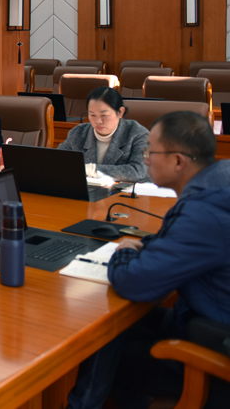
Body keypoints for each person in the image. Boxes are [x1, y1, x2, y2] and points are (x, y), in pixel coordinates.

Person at [66, 111, 230, 409]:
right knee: (113, 330)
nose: (146, 160)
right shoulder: (218, 182)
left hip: (215, 344)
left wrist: (124, 251)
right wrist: (148, 245)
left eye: (150, 152)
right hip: (206, 321)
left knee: (117, 354)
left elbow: (133, 282)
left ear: (178, 161)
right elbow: (180, 241)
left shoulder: (203, 212)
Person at [57, 87, 149, 182]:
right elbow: (57, 161)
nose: (98, 121)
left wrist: (93, 170)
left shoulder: (137, 134)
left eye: (104, 115)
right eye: (92, 115)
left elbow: (139, 171)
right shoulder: (78, 133)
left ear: (120, 112)